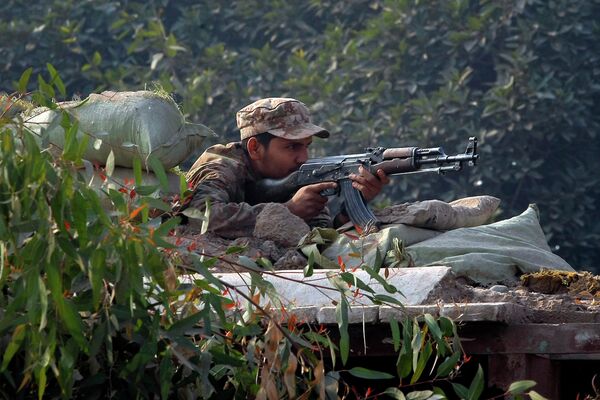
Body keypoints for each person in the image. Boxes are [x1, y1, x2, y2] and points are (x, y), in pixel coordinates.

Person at [183, 97, 389, 238]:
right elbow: (200, 217)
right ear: (255, 148)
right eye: (292, 146)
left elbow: (320, 233)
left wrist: (350, 209)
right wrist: (287, 211)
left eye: (307, 146)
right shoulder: (222, 167)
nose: (303, 157)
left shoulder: (290, 176)